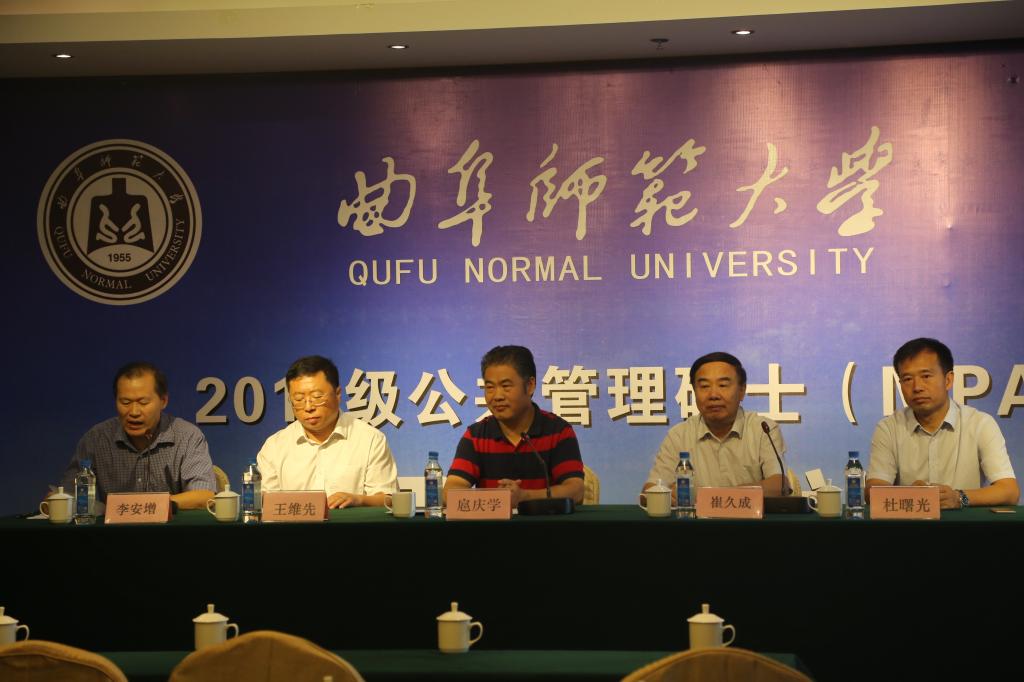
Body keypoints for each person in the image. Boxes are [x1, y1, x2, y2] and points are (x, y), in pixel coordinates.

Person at [867, 338, 1018, 509]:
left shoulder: (980, 424)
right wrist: (908, 495)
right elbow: (873, 491)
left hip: (966, 524)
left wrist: (959, 497)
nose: (917, 387)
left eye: (926, 376)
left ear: (948, 380)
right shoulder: (889, 427)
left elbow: (1009, 491)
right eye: (907, 379)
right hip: (910, 525)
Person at [59, 361, 216, 509]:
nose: (134, 412)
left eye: (143, 402)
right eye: (125, 402)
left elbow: (204, 495)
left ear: (163, 401)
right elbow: (68, 495)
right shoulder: (96, 439)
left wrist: (150, 506)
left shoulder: (187, 436)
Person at [445, 345, 585, 506]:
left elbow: (576, 491)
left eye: (506, 386)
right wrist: (497, 500)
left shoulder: (558, 431)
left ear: (530, 385)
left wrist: (524, 497)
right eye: (489, 387)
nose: (497, 396)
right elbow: (450, 492)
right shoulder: (476, 436)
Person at [257, 355, 397, 508]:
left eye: (317, 397)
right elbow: (266, 504)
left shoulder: (370, 439)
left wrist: (358, 500)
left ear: (338, 394)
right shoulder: (275, 446)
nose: (308, 407)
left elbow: (389, 499)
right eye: (298, 399)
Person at [642, 352, 785, 499]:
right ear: (694, 392)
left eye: (723, 385)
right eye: (704, 386)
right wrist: (661, 495)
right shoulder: (679, 435)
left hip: (749, 515)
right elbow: (650, 490)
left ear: (742, 391)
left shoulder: (763, 429)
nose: (713, 395)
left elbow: (779, 485)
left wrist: (708, 498)